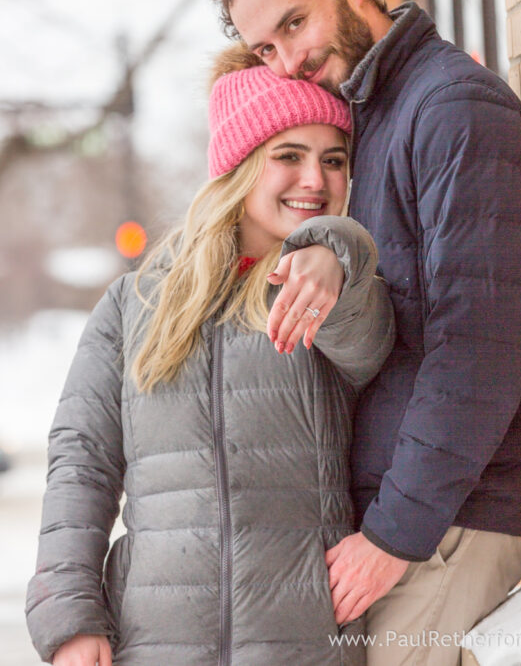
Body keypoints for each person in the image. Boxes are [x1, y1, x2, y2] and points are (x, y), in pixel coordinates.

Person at [210, 0, 521, 666]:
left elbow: (479, 344)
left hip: (454, 518)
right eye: (265, 48)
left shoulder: (452, 107)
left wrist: (396, 534)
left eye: (295, 23)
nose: (288, 60)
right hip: (414, 512)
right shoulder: (372, 115)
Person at [25, 57, 396, 666]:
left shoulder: (331, 297)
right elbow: (81, 464)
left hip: (302, 643)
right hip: (151, 642)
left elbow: (368, 340)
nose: (315, 178)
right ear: (239, 165)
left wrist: (338, 248)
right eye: (289, 155)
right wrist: (69, 617)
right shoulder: (133, 304)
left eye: (334, 160)